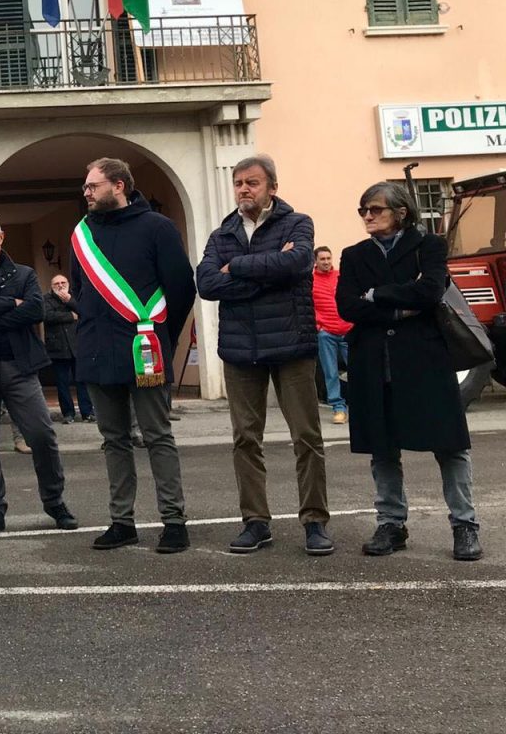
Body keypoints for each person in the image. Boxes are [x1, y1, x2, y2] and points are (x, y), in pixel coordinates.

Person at [337, 182, 483, 561]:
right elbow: (347, 307)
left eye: (375, 209)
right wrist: (402, 302)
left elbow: (432, 291)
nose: (367, 216)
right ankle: (391, 524)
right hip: (374, 361)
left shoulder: (428, 247)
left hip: (424, 360)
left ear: (401, 213)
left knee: (449, 444)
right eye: (363, 210)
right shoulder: (353, 255)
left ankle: (464, 524)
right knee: (383, 448)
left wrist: (377, 294)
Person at [196, 155, 333, 556]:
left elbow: (296, 263)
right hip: (241, 351)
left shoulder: (297, 224)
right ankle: (255, 521)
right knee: (245, 439)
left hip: (291, 345)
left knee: (306, 437)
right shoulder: (222, 233)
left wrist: (235, 268)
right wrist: (264, 276)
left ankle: (315, 521)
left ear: (272, 187)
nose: (243, 189)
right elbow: (206, 284)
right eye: (238, 183)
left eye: (252, 182)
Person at [72, 158, 194, 553]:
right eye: (86, 187)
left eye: (93, 186)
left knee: (158, 436)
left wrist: (163, 338)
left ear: (119, 186)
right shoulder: (82, 235)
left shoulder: (157, 227)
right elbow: (80, 291)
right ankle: (122, 521)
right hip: (97, 351)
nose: (86, 193)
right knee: (114, 440)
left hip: (145, 350)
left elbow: (180, 288)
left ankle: (174, 520)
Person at [0, 214, 78, 537]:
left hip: (20, 368)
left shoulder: (24, 274)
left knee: (42, 436)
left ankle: (55, 501)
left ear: (1, 237)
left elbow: (35, 310)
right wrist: (9, 303)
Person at [43, 275, 94, 423]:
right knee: (62, 383)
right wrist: (70, 316)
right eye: (56, 283)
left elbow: (83, 312)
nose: (60, 285)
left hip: (78, 345)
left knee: (82, 381)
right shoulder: (46, 299)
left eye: (63, 282)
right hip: (58, 347)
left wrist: (69, 301)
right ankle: (68, 414)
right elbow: (46, 315)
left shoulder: (75, 296)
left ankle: (87, 412)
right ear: (52, 286)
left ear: (68, 283)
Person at [312, 246, 351, 424]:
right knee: (331, 373)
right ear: (316, 261)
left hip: (348, 330)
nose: (326, 262)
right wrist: (318, 326)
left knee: (358, 370)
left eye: (328, 258)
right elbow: (307, 307)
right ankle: (338, 408)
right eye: (322, 259)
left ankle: (360, 406)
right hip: (326, 333)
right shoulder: (310, 281)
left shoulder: (341, 277)